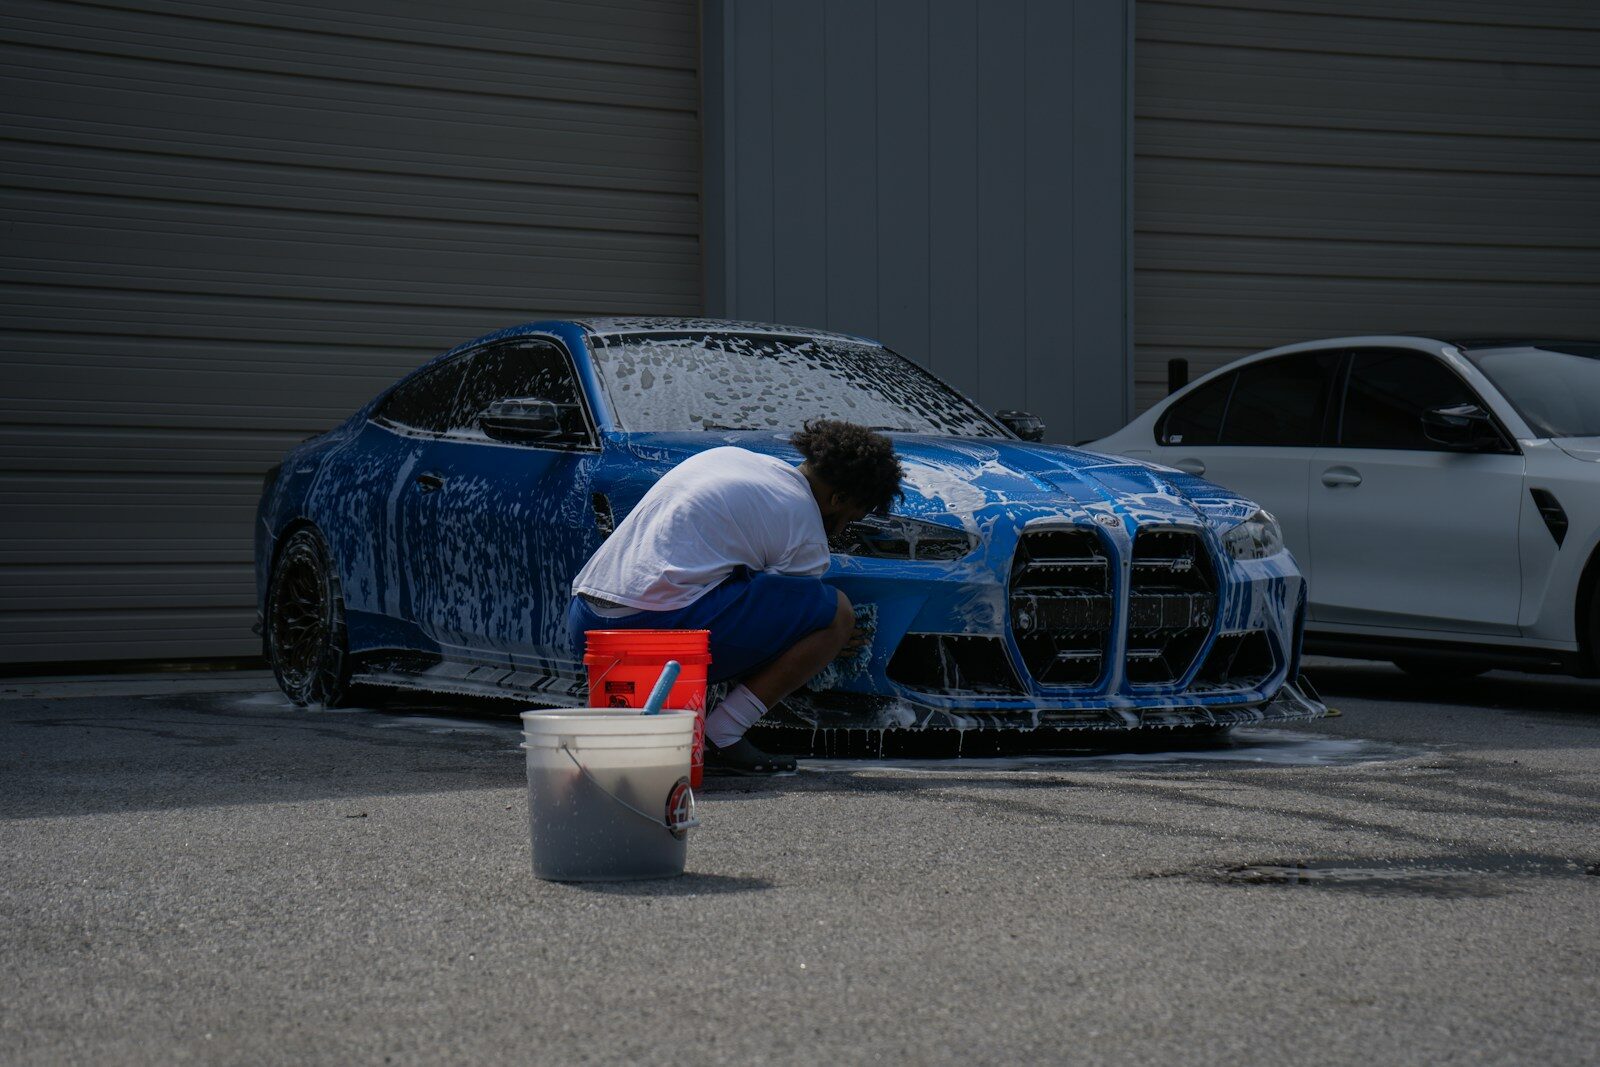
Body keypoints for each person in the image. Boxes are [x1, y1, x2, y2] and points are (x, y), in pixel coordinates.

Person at [566, 419, 903, 774]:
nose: (842, 528)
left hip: (587, 622)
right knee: (837, 615)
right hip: (649, 633)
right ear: (839, 498)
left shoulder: (729, 458)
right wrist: (836, 644)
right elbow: (794, 622)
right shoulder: (804, 527)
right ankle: (722, 733)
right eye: (849, 518)